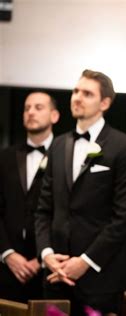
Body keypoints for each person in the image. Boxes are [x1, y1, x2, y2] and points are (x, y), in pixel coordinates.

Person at [35, 70, 126, 315]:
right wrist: (47, 254)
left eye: (87, 93)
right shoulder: (59, 145)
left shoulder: (124, 147)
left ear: (104, 103)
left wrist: (85, 261)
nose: (77, 98)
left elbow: (124, 216)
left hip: (101, 275)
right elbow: (43, 209)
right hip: (56, 275)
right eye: (75, 91)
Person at [0, 91, 59, 302]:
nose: (31, 112)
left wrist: (41, 258)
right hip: (6, 269)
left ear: (54, 116)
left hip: (50, 269)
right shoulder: (5, 157)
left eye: (38, 107)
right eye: (27, 108)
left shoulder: (64, 158)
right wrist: (7, 253)